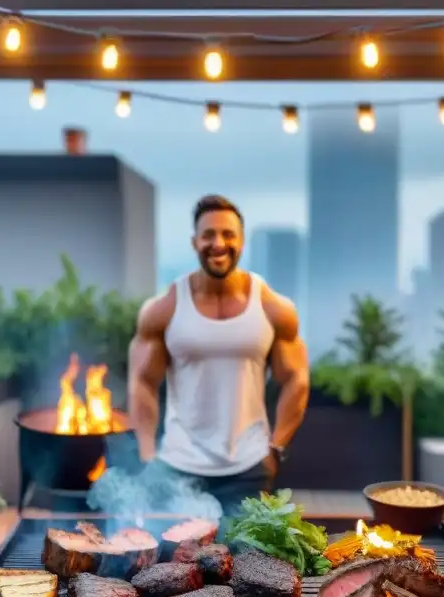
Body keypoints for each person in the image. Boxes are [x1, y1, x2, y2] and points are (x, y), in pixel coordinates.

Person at [127, 194, 310, 518]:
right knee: (172, 566)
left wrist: (276, 449)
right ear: (194, 241)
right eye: (208, 235)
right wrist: (147, 456)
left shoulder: (273, 308)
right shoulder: (165, 308)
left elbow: (296, 378)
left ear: (241, 241)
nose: (218, 243)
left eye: (228, 235)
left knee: (247, 566)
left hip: (249, 467)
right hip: (178, 467)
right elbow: (142, 382)